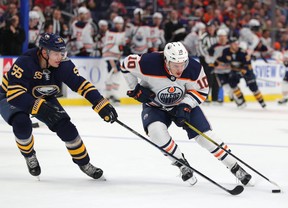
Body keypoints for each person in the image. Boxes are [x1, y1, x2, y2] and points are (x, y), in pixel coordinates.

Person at [120, 42, 252, 186]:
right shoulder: (148, 62)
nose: (180, 69)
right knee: (156, 131)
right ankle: (181, 163)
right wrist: (135, 89)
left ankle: (234, 166)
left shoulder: (194, 68)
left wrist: (186, 105)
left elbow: (201, 91)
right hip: (155, 105)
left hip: (182, 104)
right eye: (176, 65)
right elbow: (125, 64)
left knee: (205, 137)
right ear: (166, 60)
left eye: (183, 64)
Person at [0, 33, 118, 179]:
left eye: (62, 52)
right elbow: (14, 93)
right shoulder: (25, 62)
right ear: (44, 52)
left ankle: (85, 164)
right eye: (56, 53)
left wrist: (100, 103)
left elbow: (80, 84)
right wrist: (39, 107)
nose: (60, 57)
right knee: (22, 124)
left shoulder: (63, 64)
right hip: (11, 96)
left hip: (42, 95)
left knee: (66, 128)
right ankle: (29, 155)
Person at [216, 37, 266, 108]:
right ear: (230, 45)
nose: (236, 45)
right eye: (234, 44)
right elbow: (222, 60)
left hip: (247, 71)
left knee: (253, 87)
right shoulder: (226, 51)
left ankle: (262, 102)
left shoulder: (242, 52)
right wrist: (215, 63)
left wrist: (244, 70)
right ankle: (241, 100)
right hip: (236, 71)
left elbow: (247, 63)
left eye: (237, 44)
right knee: (232, 82)